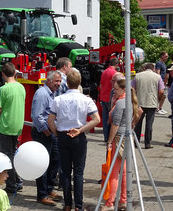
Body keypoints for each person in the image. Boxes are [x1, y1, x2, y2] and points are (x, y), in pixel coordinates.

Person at [48, 69, 100, 211]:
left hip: (63, 135)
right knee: (78, 172)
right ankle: (78, 205)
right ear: (79, 83)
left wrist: (57, 133)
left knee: (65, 171)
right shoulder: (86, 100)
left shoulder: (58, 99)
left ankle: (67, 204)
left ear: (67, 83)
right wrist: (81, 129)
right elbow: (96, 119)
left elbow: (50, 120)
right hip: (78, 135)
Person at [101, 79, 140, 211]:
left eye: (116, 88)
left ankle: (110, 203)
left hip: (118, 139)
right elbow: (139, 112)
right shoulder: (130, 101)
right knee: (123, 172)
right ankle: (123, 200)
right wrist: (132, 123)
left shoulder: (121, 103)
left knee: (113, 172)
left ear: (123, 90)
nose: (114, 90)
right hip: (127, 138)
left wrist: (109, 142)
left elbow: (115, 124)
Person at [31, 70, 62, 206]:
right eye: (56, 81)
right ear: (48, 81)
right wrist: (46, 131)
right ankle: (42, 194)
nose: (58, 84)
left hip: (52, 132)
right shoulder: (42, 94)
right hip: (43, 133)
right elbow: (37, 116)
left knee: (55, 160)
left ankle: (49, 189)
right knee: (42, 164)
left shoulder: (53, 93)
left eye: (60, 81)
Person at [0, 62, 26, 193]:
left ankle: (12, 184)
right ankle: (17, 180)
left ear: (3, 74)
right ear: (15, 73)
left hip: (6, 126)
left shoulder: (3, 89)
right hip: (18, 125)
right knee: (14, 154)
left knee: (7, 157)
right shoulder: (21, 87)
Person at [132, 63, 165, 149]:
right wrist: (158, 99)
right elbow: (161, 91)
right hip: (152, 103)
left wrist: (134, 99)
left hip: (139, 103)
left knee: (138, 124)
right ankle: (147, 143)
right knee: (149, 124)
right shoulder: (158, 77)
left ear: (145, 68)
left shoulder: (138, 76)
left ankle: (136, 142)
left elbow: (132, 88)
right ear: (153, 69)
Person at [100, 58, 119, 142]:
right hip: (110, 97)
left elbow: (101, 84)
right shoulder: (114, 73)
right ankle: (110, 138)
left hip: (103, 96)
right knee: (112, 118)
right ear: (116, 65)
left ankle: (106, 136)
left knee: (105, 118)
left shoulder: (104, 72)